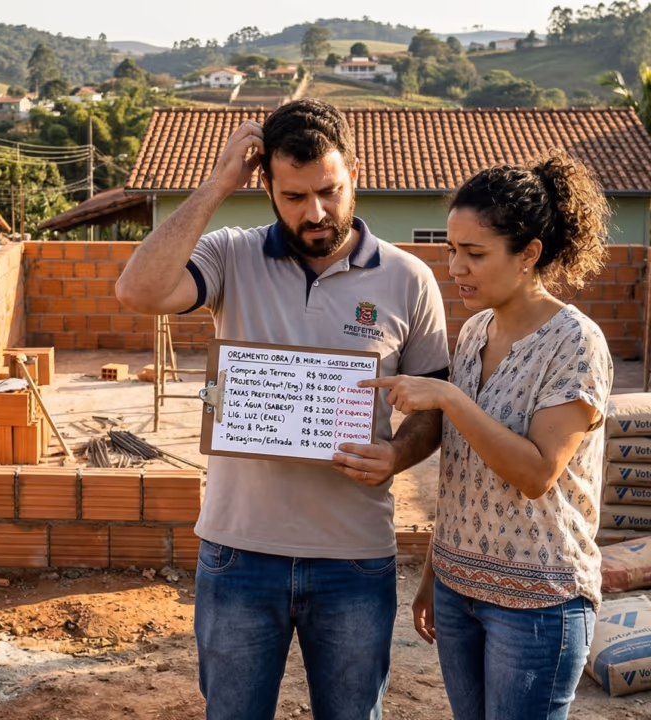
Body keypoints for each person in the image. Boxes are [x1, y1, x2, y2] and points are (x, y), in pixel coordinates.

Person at [115, 99, 451, 720]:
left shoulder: (409, 279)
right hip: (239, 553)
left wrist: (398, 454)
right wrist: (218, 185)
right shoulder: (229, 256)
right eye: (293, 196)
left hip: (354, 556)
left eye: (329, 190)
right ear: (265, 185)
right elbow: (137, 291)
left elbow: (434, 404)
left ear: (354, 170)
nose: (315, 213)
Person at [364, 150, 614, 720]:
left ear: (528, 255)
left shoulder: (575, 343)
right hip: (458, 590)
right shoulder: (475, 330)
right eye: (452, 250)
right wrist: (435, 570)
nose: (456, 267)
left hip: (537, 603)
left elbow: (535, 473)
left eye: (474, 254)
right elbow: (462, 473)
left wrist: (449, 397)